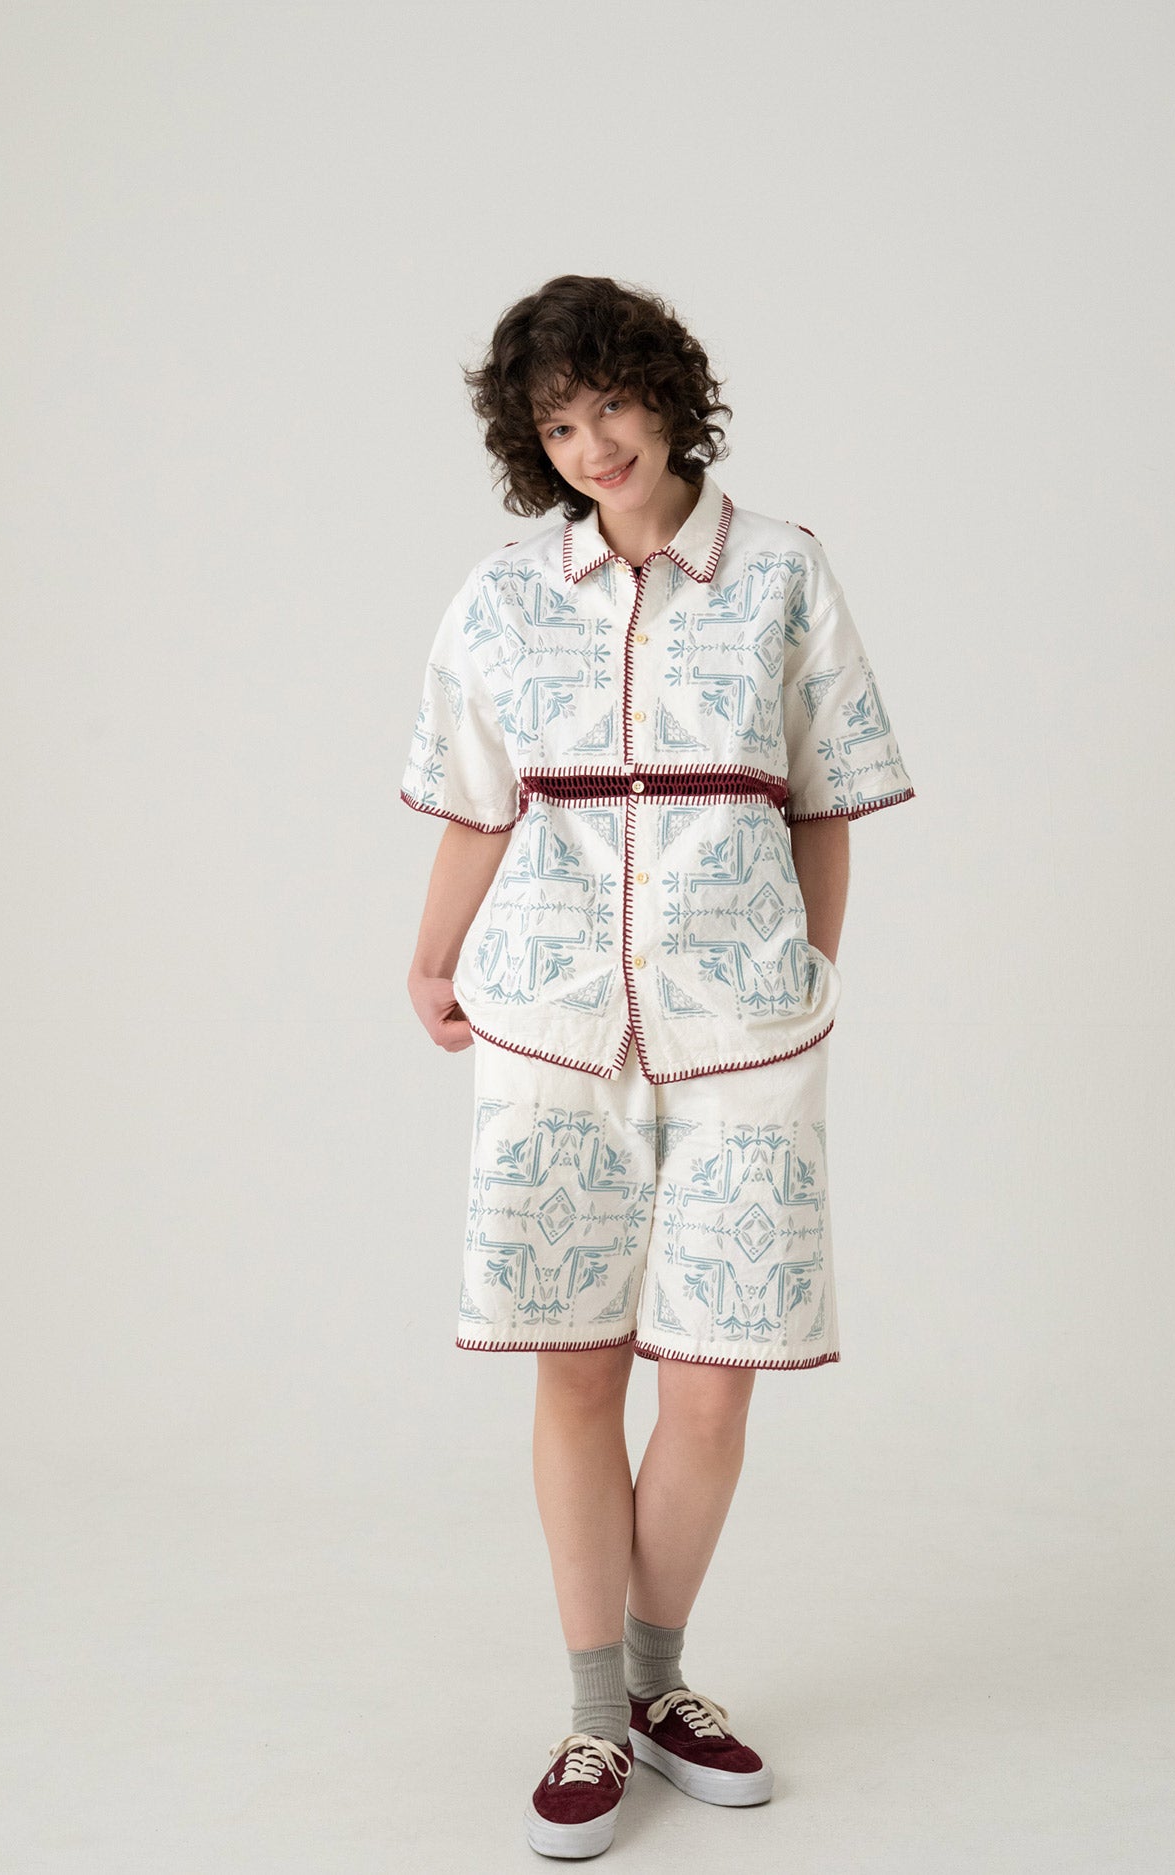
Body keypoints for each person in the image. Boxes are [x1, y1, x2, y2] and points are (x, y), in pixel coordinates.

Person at [401, 274, 915, 1859]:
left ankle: (656, 1680)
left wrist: (805, 972)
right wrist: (428, 958)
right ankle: (591, 1714)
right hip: (551, 1020)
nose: (592, 444)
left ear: (667, 394)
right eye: (557, 424)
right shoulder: (503, 597)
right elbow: (478, 802)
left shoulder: (784, 572)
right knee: (576, 1365)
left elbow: (823, 801)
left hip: (741, 1026)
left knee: (709, 1377)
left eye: (611, 403)